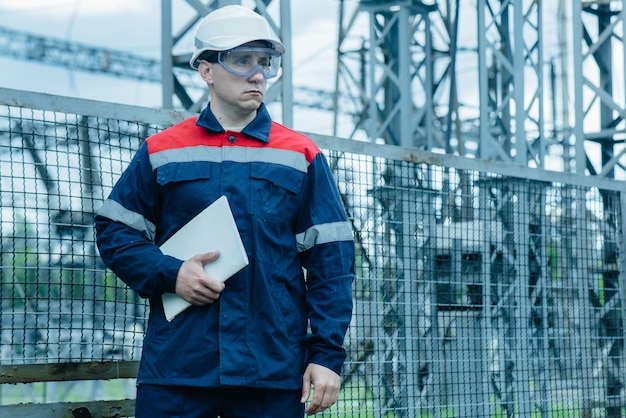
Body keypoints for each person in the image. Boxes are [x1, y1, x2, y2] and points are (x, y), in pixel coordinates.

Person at [94, 4, 355, 418]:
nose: (257, 74)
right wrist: (171, 273)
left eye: (265, 62)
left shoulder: (300, 155)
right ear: (206, 69)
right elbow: (115, 232)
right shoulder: (163, 151)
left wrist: (326, 355)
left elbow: (332, 263)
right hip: (179, 366)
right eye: (241, 60)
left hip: (271, 370)